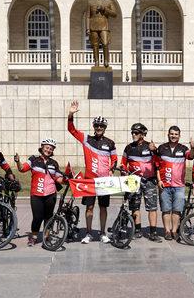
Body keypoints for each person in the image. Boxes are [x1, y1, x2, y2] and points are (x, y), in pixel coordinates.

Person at [68, 100, 117, 244]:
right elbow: (72, 130)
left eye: (102, 126)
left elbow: (114, 159)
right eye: (97, 125)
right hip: (89, 180)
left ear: (105, 127)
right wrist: (71, 114)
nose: (99, 127)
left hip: (104, 181)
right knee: (89, 207)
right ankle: (89, 233)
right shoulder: (86, 139)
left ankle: (102, 233)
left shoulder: (110, 143)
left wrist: (112, 169)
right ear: (94, 126)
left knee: (103, 207)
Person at [14, 139, 65, 246]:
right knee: (37, 217)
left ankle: (47, 237)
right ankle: (34, 236)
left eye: (51, 149)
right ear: (42, 147)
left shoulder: (54, 163)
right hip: (36, 194)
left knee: (49, 217)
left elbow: (58, 178)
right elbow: (22, 169)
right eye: (47, 147)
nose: (48, 150)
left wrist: (67, 179)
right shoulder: (33, 159)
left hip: (51, 193)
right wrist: (18, 161)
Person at [121, 123, 161, 242]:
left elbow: (159, 163)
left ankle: (153, 233)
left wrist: (156, 151)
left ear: (143, 134)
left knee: (152, 207)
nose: (133, 134)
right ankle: (137, 230)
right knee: (135, 206)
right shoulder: (128, 148)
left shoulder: (150, 146)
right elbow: (123, 163)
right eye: (132, 132)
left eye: (136, 133)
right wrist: (123, 170)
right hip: (134, 180)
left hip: (149, 181)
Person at [155, 126, 194, 240]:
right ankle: (167, 231)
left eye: (176, 134)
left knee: (177, 210)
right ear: (168, 134)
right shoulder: (161, 148)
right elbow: (157, 166)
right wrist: (159, 180)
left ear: (179, 136)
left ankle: (174, 231)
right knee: (166, 209)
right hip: (164, 185)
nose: (173, 136)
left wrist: (192, 148)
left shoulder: (183, 149)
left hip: (179, 186)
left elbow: (191, 156)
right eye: (171, 134)